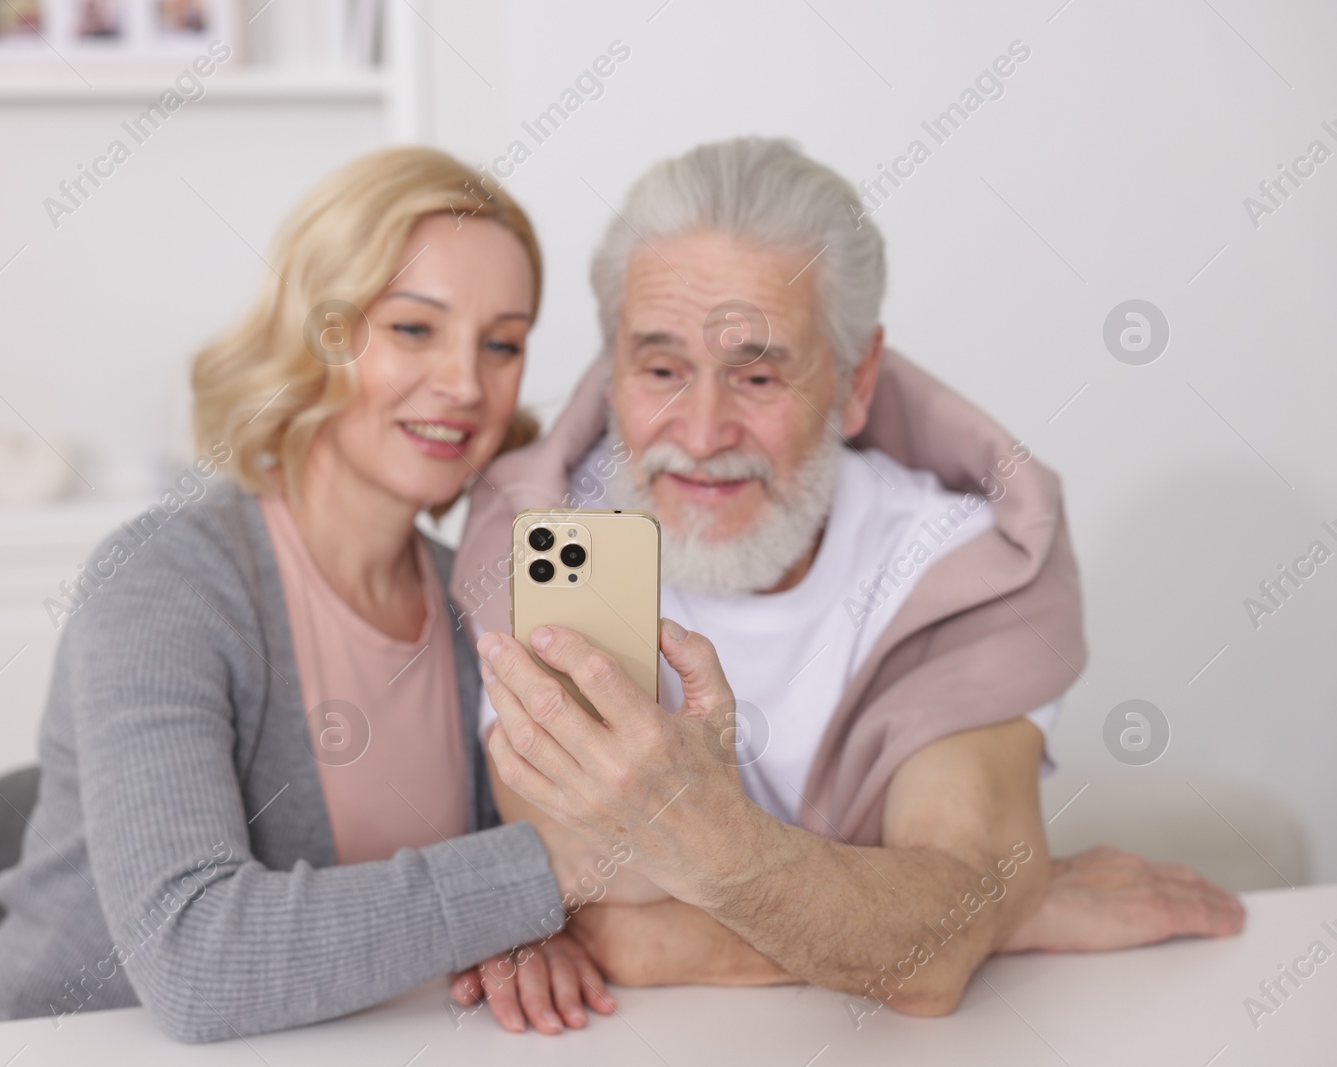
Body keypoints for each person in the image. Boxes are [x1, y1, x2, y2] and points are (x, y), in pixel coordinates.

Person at [449, 137, 1245, 1021]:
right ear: (615, 372)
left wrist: (947, 922)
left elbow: (930, 948)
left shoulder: (968, 567)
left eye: (757, 374)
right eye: (663, 369)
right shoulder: (541, 538)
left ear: (857, 379)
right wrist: (990, 914)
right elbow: (585, 901)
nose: (703, 431)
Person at [0, 146, 613, 1041]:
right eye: (414, 328)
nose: (464, 382)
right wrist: (551, 874)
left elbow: (478, 899)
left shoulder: (471, 606)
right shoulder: (166, 582)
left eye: (503, 344)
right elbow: (196, 958)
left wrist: (524, 935)